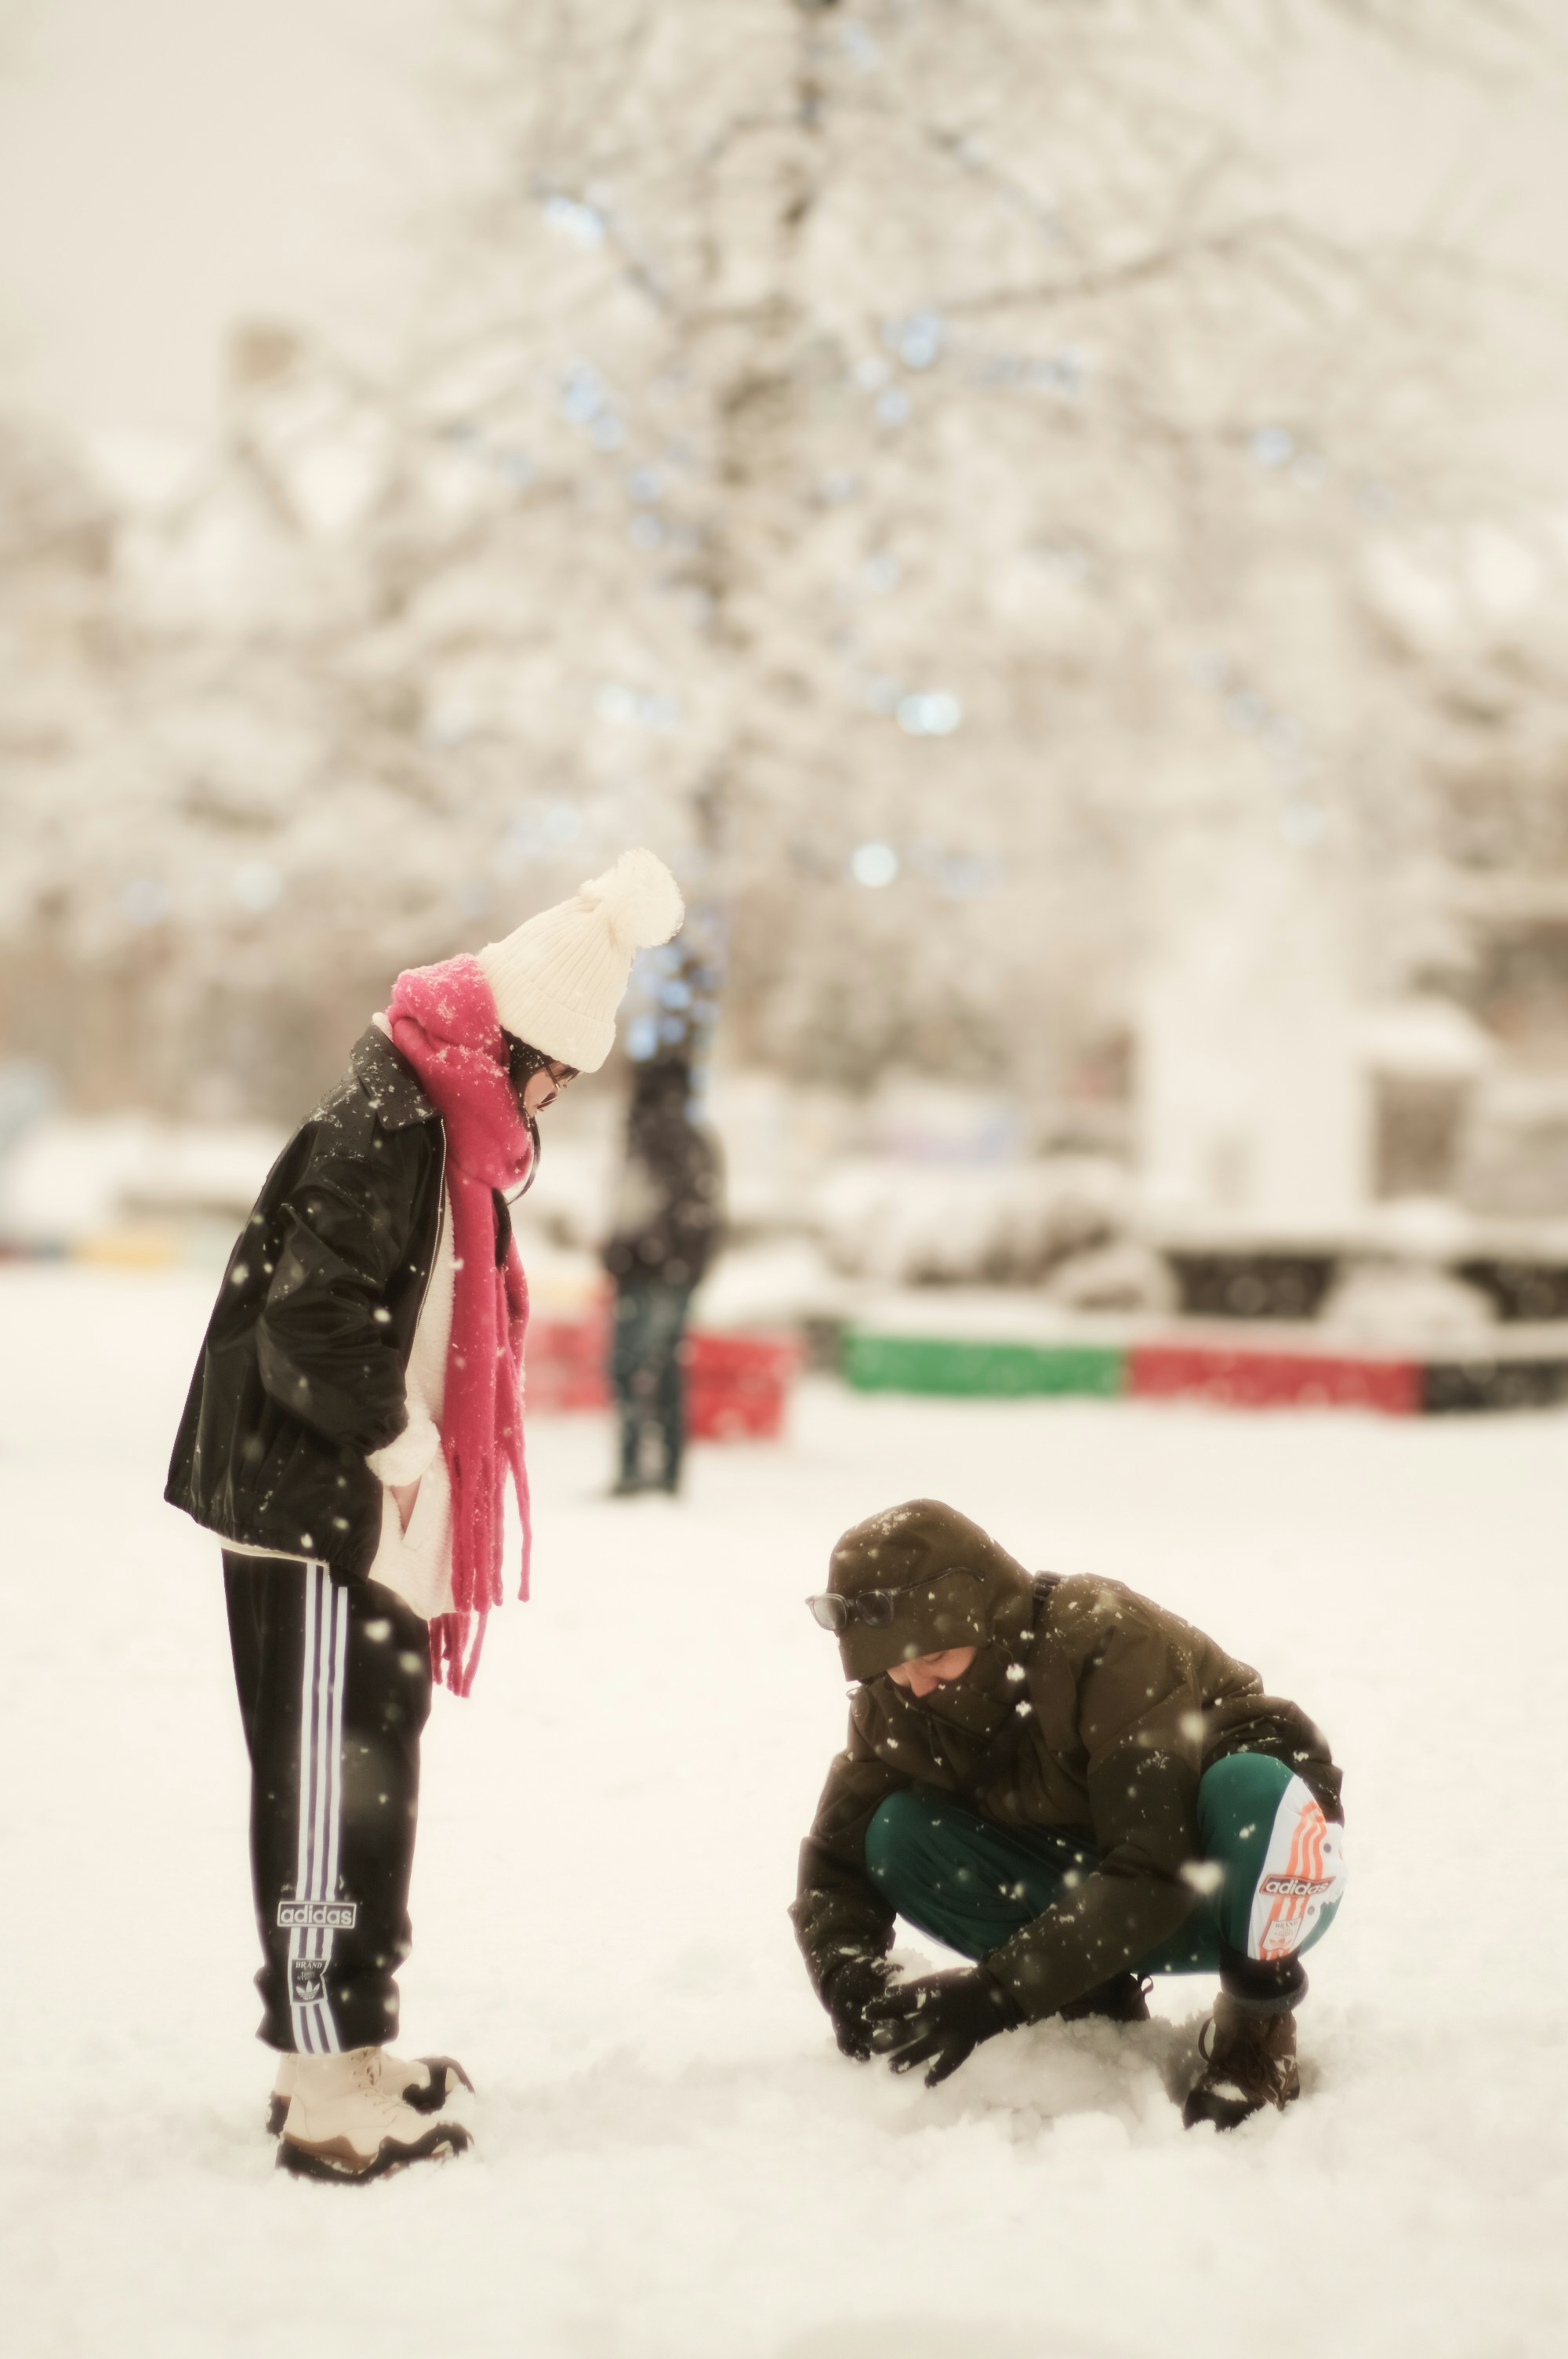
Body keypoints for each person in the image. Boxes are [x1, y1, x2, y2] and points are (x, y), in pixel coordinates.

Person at [166, 848, 683, 2179]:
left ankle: (345, 2046)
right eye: (554, 1074)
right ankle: (328, 2076)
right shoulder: (394, 1120)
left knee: (365, 1779)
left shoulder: (426, 1107)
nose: (552, 1104)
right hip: (324, 1508)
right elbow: (314, 1322)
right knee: (338, 1787)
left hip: (361, 1508)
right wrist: (400, 1450)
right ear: (512, 1046)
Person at [790, 1498, 1347, 2128]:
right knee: (894, 1832)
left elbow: (1153, 1866)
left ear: (989, 1619)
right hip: (1111, 1890)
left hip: (1244, 1878)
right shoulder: (895, 1704)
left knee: (1248, 1788)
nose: (914, 1685)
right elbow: (839, 1858)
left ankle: (1257, 2030)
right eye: (893, 1665)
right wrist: (845, 1976)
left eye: (935, 1658)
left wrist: (995, 1995)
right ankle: (1090, 1993)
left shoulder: (1104, 1640)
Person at [601, 1052, 724, 1496]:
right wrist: (691, 1271)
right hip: (673, 1274)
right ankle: (667, 1471)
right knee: (665, 1370)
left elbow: (632, 1208)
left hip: (645, 1273)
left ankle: (636, 1469)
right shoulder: (695, 1139)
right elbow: (706, 1217)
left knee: (632, 1370)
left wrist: (619, 1255)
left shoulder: (650, 1134)